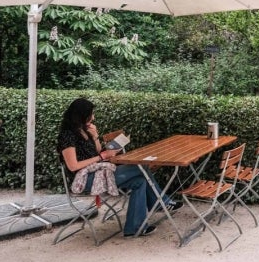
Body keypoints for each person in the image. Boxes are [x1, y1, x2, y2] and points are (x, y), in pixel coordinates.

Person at [57, 97, 182, 237]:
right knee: (141, 168)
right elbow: (73, 166)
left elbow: (97, 151)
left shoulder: (85, 130)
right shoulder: (67, 135)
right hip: (84, 180)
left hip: (99, 172)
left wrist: (96, 136)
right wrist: (103, 156)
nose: (93, 117)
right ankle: (160, 203)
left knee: (139, 181)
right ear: (81, 115)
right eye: (91, 114)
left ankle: (134, 228)